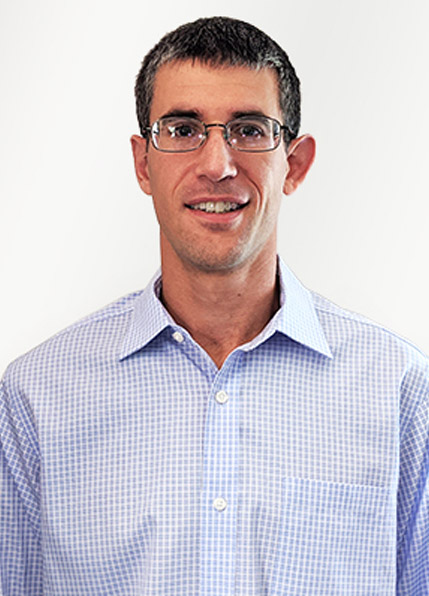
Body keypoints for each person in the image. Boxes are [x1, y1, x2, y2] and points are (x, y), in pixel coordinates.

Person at [0, 16, 427, 596]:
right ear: (143, 163)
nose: (217, 165)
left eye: (249, 129)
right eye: (182, 129)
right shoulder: (37, 397)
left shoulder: (397, 390)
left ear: (295, 164)